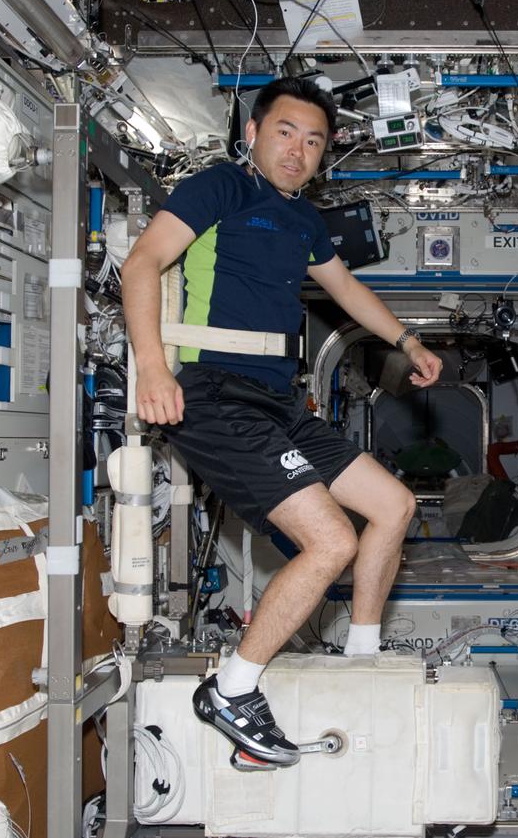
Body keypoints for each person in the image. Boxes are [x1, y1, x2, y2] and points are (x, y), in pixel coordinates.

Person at [121, 76, 442, 769]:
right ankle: (232, 690)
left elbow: (347, 288)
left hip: (279, 402)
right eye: (285, 133)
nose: (298, 150)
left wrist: (409, 342)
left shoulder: (304, 221)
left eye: (314, 141)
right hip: (214, 392)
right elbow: (141, 262)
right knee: (329, 541)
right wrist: (152, 365)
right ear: (252, 135)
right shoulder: (220, 187)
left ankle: (361, 655)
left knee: (393, 505)